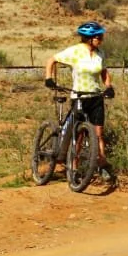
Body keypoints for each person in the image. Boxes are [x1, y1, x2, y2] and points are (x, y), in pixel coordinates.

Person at [44, 21, 116, 182]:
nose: (101, 39)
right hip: (79, 97)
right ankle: (74, 167)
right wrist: (48, 78)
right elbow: (51, 60)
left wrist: (108, 85)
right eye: (99, 37)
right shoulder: (75, 51)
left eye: (101, 37)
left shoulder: (100, 53)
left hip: (96, 97)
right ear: (89, 38)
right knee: (80, 134)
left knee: (98, 134)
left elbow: (104, 72)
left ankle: (102, 164)